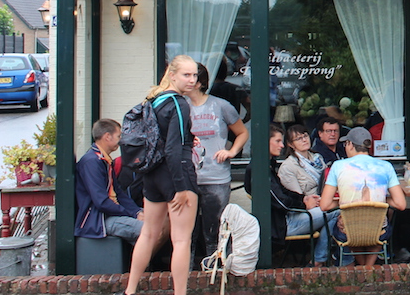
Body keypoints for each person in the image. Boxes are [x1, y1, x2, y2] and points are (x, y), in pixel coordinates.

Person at [121, 55, 200, 295]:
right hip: (176, 173)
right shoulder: (179, 103)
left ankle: (130, 290)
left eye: (195, 75)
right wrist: (181, 188)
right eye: (186, 75)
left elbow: (159, 137)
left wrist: (188, 139)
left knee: (148, 234)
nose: (192, 80)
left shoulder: (154, 100)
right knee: (182, 240)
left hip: (152, 174)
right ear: (172, 75)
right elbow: (173, 149)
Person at [245, 124, 333, 265]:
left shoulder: (267, 164)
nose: (281, 145)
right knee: (336, 211)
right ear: (265, 142)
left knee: (334, 210)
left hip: (285, 219)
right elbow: (281, 202)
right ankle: (319, 260)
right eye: (278, 141)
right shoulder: (259, 169)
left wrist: (304, 198)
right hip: (282, 225)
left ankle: (321, 258)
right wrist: (304, 204)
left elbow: (283, 192)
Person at [187, 62, 248, 258]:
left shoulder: (221, 106)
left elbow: (242, 132)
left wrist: (232, 151)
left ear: (199, 82)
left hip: (216, 177)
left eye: (189, 76)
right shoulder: (179, 107)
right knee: (187, 234)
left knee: (215, 231)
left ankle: (216, 270)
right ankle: (188, 273)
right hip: (187, 178)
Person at [320, 127, 405, 266]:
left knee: (347, 230)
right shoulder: (386, 166)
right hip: (378, 230)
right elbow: (401, 204)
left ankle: (362, 268)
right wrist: (380, 200)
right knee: (380, 229)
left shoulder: (338, 166)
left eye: (345, 143)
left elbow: (324, 205)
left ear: (350, 145)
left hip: (348, 231)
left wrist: (345, 202)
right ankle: (368, 268)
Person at [75, 119, 144, 245]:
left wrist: (137, 212)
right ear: (107, 136)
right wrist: (132, 215)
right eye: (118, 136)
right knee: (152, 229)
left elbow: (119, 193)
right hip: (99, 220)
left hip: (111, 214)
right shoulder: (92, 162)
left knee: (160, 222)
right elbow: (101, 202)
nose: (121, 140)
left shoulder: (103, 160)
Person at [279, 124, 327, 197]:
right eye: (298, 138)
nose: (304, 140)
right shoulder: (288, 167)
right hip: (310, 201)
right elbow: (297, 197)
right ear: (291, 144)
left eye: (305, 136)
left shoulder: (318, 158)